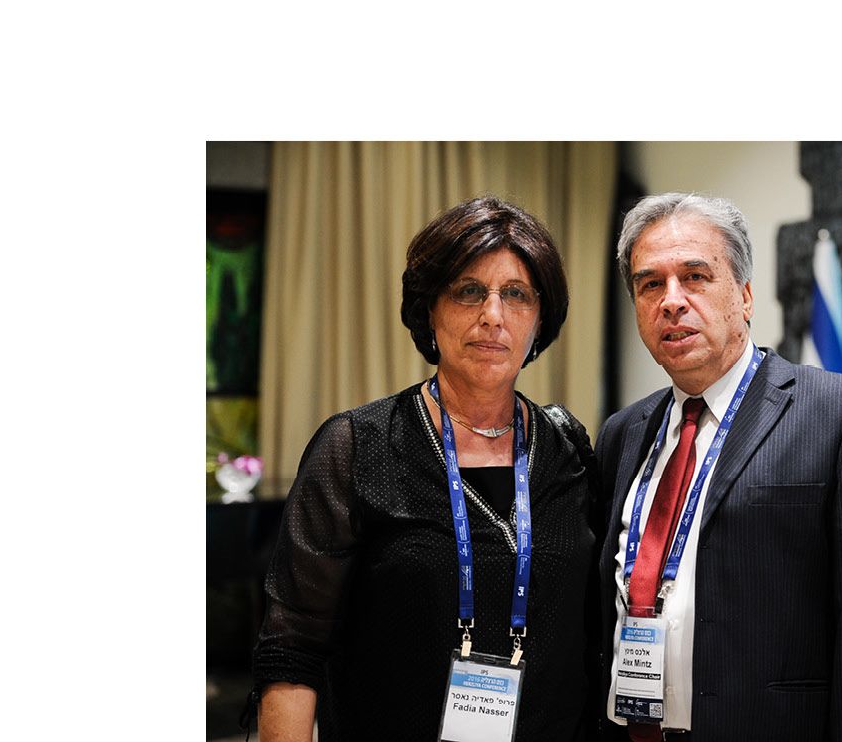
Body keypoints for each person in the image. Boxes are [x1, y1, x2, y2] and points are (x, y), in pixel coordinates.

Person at [253, 197, 601, 742]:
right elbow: (292, 648)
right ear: (429, 310)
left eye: (516, 294)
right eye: (469, 291)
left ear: (540, 319)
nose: (493, 314)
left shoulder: (567, 449)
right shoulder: (357, 446)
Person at [595, 193, 842, 742]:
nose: (671, 301)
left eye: (695, 276)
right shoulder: (623, 433)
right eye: (651, 284)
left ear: (744, 296)